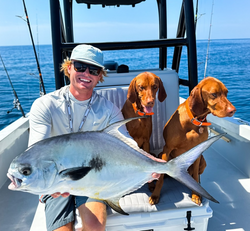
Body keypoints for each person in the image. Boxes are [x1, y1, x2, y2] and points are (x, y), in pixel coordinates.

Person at [28, 44, 133, 231]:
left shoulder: (109, 110)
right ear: (69, 68)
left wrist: (151, 163)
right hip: (54, 179)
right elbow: (36, 149)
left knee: (95, 226)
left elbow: (126, 143)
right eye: (79, 67)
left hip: (93, 176)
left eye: (93, 70)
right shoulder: (45, 105)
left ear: (100, 76)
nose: (86, 73)